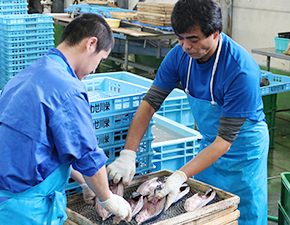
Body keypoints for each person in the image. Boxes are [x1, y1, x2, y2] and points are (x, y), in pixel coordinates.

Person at [106, 0, 269, 224]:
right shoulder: (179, 56)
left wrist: (181, 175)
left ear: (215, 33)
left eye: (193, 39)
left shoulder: (241, 71)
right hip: (209, 144)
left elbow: (225, 141)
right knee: (204, 207)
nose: (185, 46)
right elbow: (150, 103)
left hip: (243, 149)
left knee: (242, 211)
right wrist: (128, 154)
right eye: (180, 38)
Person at [0, 13, 131, 224]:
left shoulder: (29, 74)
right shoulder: (67, 89)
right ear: (91, 43)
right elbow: (87, 154)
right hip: (27, 211)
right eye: (100, 59)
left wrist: (85, 181)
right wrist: (108, 199)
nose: (95, 68)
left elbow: (44, 147)